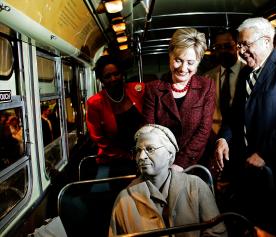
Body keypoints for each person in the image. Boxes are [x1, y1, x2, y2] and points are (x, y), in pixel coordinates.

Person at [214, 17, 276, 236]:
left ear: (267, 41)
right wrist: (223, 138)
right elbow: (234, 117)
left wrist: (263, 153)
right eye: (239, 45)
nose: (241, 51)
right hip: (249, 171)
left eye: (246, 45)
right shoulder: (245, 74)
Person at [109, 124, 227, 237]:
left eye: (150, 149)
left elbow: (217, 232)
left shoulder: (196, 186)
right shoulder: (124, 200)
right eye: (138, 151)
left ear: (170, 155)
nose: (141, 157)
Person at [143, 28, 216, 172]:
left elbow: (204, 130)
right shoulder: (153, 89)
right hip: (161, 164)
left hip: (197, 163)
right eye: (178, 60)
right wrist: (165, 164)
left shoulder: (207, 86)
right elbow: (149, 132)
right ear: (170, 56)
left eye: (190, 62)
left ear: (198, 62)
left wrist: (180, 164)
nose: (183, 68)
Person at [86, 54, 144, 175]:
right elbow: (98, 138)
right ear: (101, 80)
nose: (113, 79)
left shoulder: (138, 90)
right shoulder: (94, 103)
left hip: (144, 152)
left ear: (122, 74)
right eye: (107, 76)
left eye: (116, 74)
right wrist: (126, 155)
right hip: (114, 157)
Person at [203, 28, 244, 178]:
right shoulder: (208, 77)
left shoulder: (250, 71)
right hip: (216, 140)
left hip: (244, 141)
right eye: (218, 47)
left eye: (227, 46)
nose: (222, 51)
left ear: (237, 45)